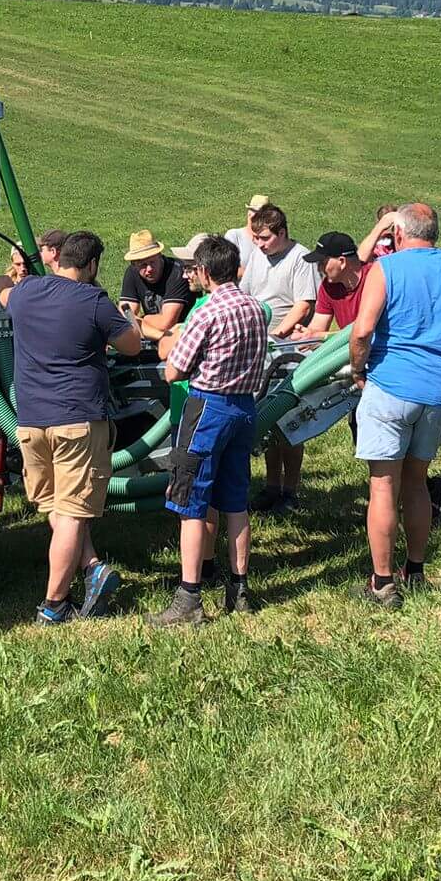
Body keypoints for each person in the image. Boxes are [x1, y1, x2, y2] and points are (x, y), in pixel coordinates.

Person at [348, 204, 441, 607]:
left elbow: (363, 330)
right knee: (417, 482)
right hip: (440, 391)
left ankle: (382, 581)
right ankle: (417, 568)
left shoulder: (386, 270)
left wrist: (359, 369)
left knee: (383, 485)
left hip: (392, 384)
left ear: (400, 233)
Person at [5, 230, 142, 621]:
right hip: (77, 419)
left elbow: (2, 292)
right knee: (71, 512)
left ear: (58, 257)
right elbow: (131, 345)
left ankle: (93, 567)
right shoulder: (93, 300)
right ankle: (55, 604)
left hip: (30, 421)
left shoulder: (26, 292)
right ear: (93, 264)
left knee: (53, 505)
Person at [156, 234, 272, 624]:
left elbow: (174, 370)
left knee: (190, 503)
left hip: (208, 408)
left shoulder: (205, 312)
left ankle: (188, 597)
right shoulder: (256, 308)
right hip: (244, 408)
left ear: (205, 272)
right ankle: (239, 589)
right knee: (236, 501)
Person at [238, 203, 319, 510]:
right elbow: (246, 294)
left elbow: (303, 305)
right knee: (267, 422)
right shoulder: (258, 255)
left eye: (265, 238)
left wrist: (279, 334)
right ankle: (271, 487)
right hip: (259, 347)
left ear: (282, 232)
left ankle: (290, 491)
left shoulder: (301, 258)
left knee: (289, 423)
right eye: (256, 239)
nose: (259, 244)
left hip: (287, 351)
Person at [118, 229, 197, 337]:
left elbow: (166, 323)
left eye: (152, 262)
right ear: (134, 264)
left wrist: (142, 319)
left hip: (182, 337)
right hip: (156, 337)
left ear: (160, 255)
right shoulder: (132, 272)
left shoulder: (178, 272)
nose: (149, 269)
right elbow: (124, 317)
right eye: (143, 265)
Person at [302, 231, 366, 337]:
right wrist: (305, 335)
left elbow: (367, 331)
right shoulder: (328, 286)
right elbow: (317, 329)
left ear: (342, 262)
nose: (319, 268)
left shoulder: (375, 280)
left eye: (322, 263)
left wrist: (319, 335)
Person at [226, 193, 272, 272]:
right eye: (256, 212)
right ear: (249, 213)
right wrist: (257, 273)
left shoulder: (271, 239)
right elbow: (227, 270)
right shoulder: (234, 236)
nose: (259, 218)